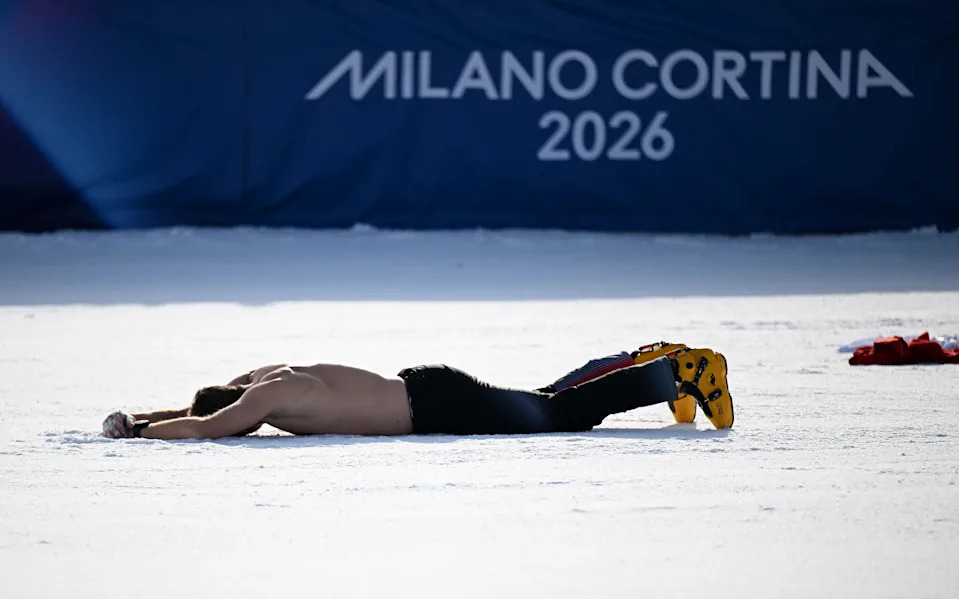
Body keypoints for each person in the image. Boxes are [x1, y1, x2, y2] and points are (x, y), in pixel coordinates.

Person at [100, 345, 733, 440]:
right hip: (426, 389)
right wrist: (138, 417)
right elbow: (208, 407)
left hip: (432, 405)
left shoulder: (256, 404)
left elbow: (209, 426)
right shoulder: (267, 379)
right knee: (545, 401)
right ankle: (650, 358)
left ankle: (683, 372)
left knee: (556, 415)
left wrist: (142, 437)